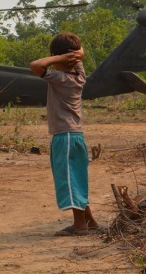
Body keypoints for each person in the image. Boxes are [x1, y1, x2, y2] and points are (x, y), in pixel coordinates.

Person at [29, 32, 98, 236]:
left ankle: (79, 226)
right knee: (77, 177)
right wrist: (74, 55)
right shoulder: (79, 75)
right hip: (76, 135)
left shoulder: (59, 78)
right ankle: (90, 221)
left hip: (64, 137)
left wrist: (59, 58)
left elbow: (35, 65)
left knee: (69, 180)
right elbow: (80, 53)